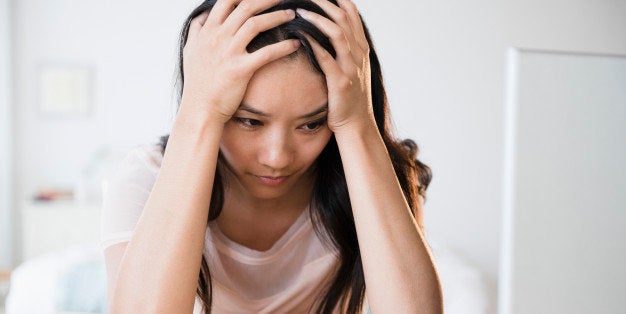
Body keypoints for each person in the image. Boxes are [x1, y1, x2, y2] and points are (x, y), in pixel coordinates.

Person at [100, 0, 443, 313]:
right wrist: (197, 113)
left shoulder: (373, 177)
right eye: (250, 121)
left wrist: (358, 124)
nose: (277, 157)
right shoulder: (146, 181)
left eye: (311, 124)